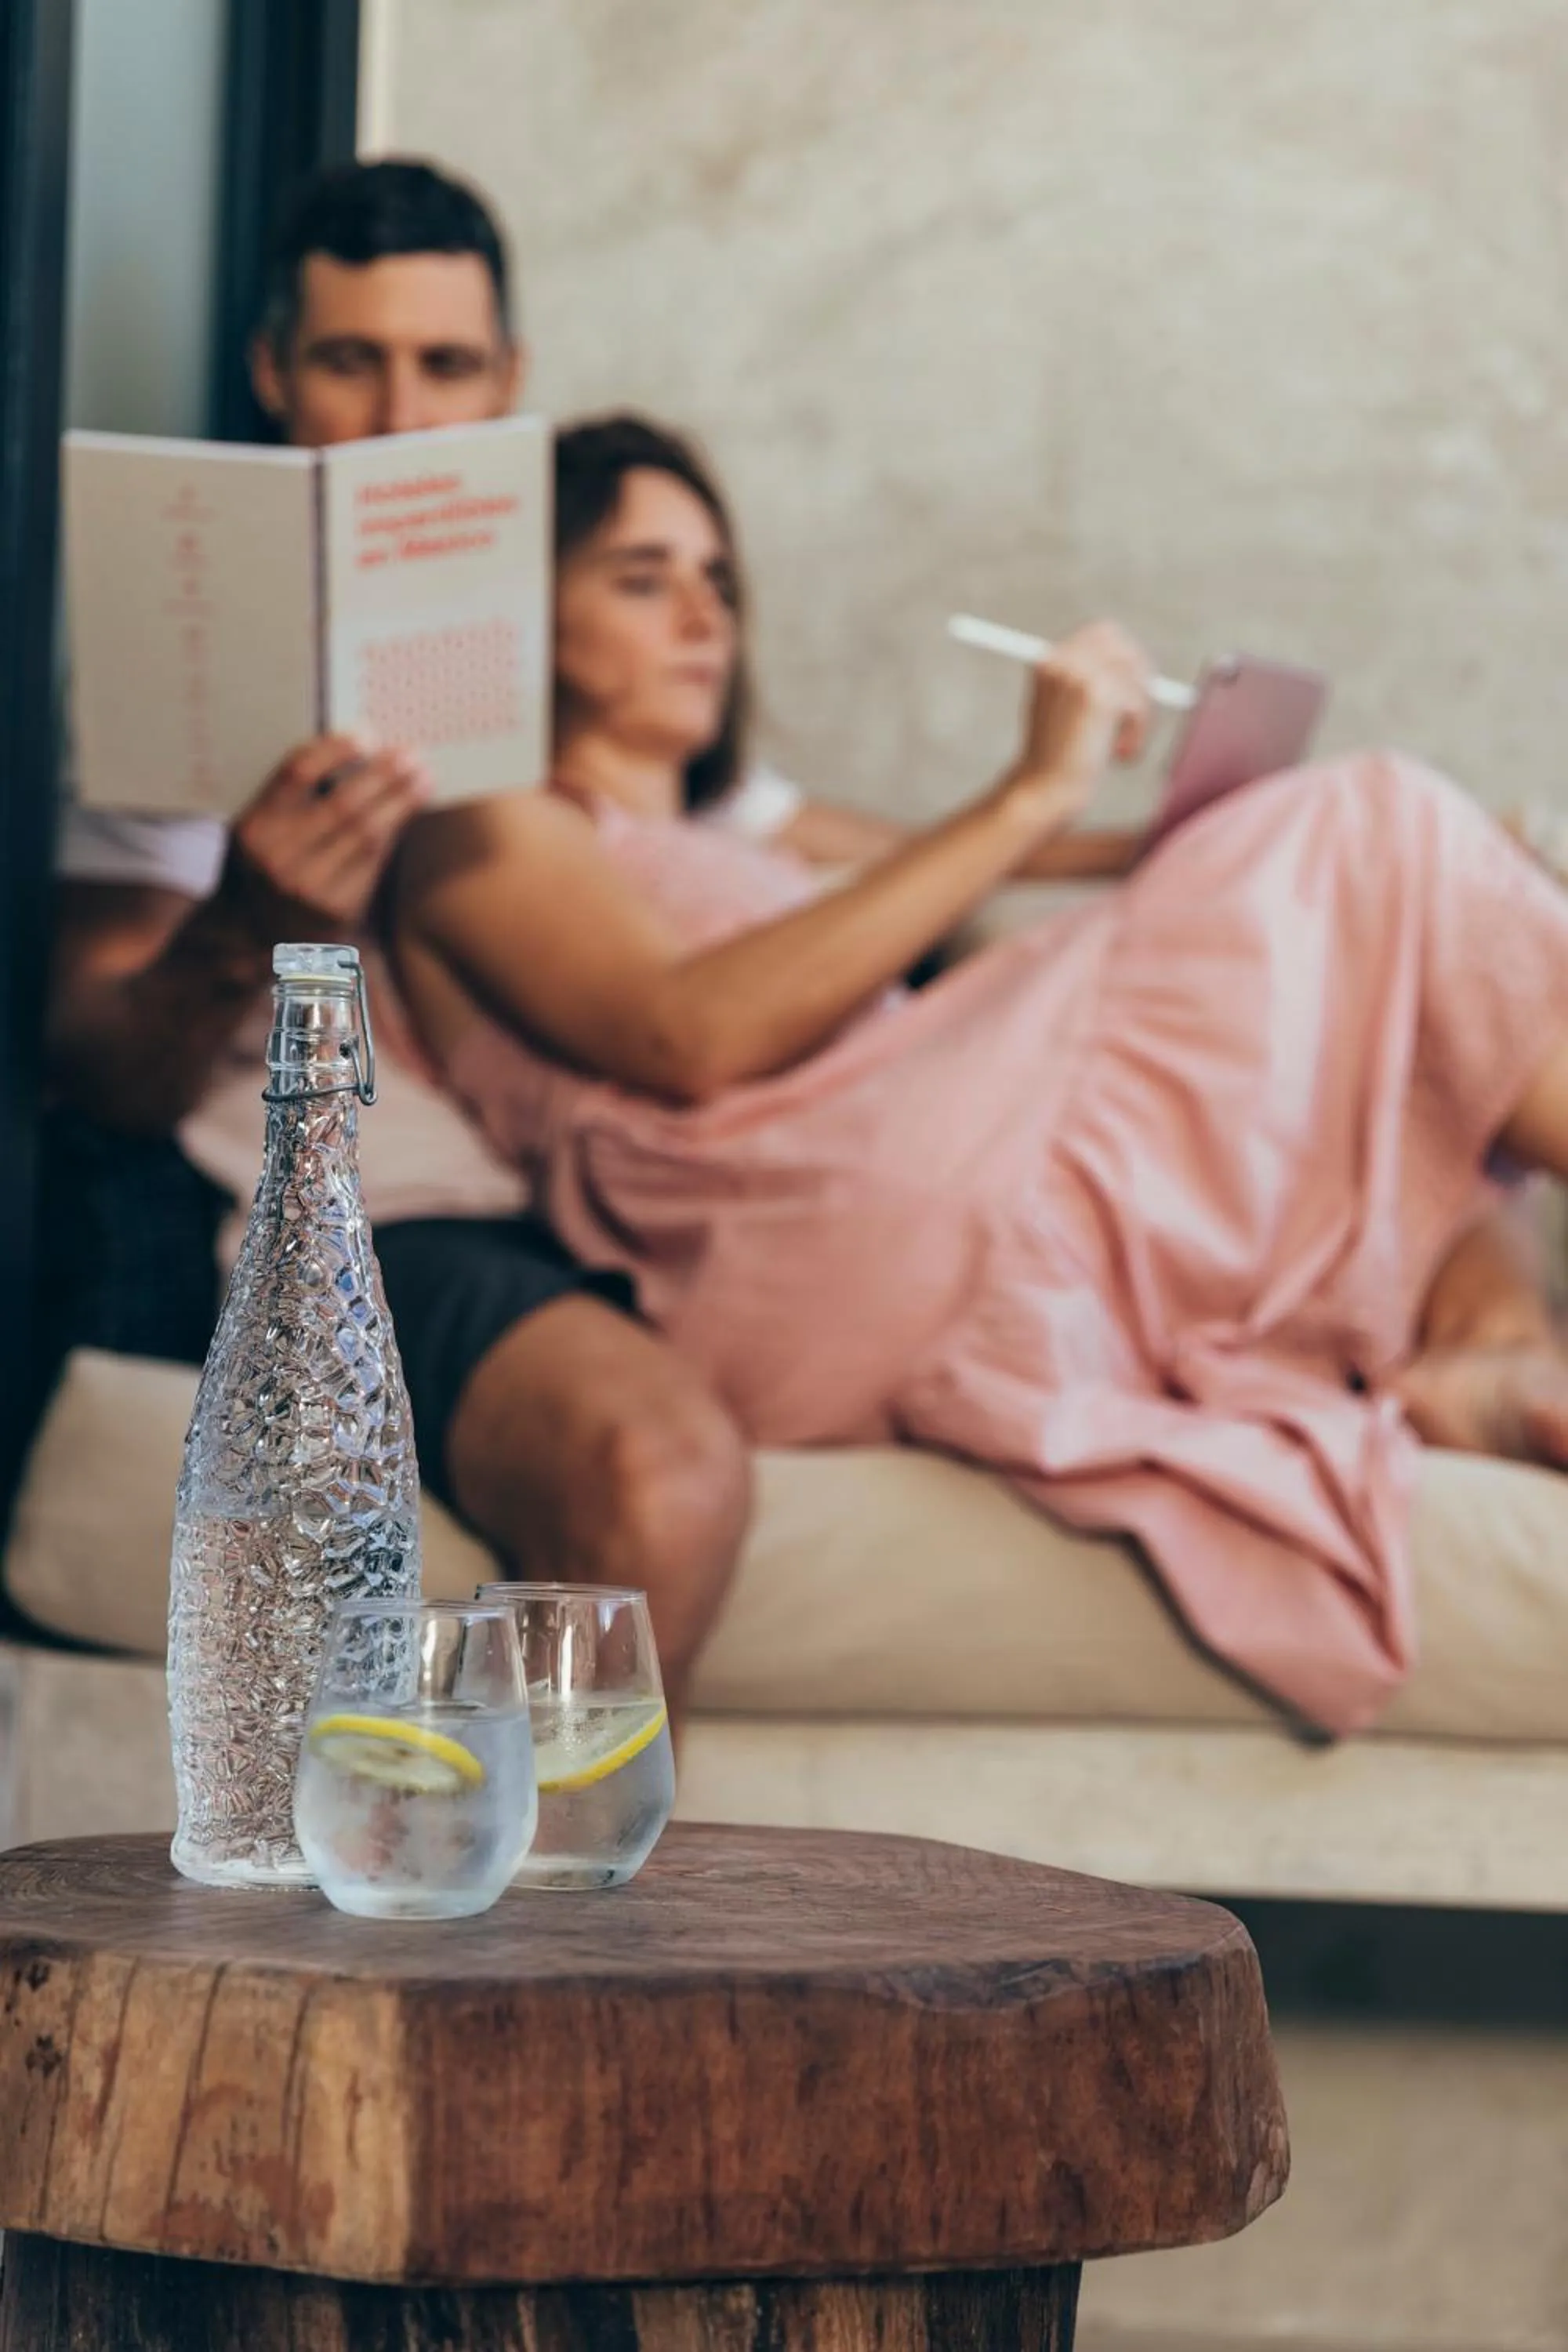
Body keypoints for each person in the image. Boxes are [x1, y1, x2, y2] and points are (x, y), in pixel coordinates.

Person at [387, 413, 1568, 1740]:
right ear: (523, 610)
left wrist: (1225, 822)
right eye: (641, 578)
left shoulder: (757, 833)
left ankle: (1493, 1356)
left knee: (1421, 1005)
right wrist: (1025, 792)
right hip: (800, 1212)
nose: (702, 617)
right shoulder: (481, 818)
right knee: (1383, 822)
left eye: (718, 581)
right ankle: (1487, 1340)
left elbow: (1054, 864)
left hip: (917, 1174)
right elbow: (685, 1037)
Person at [45, 163, 753, 1708]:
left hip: (600, 1165)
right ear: (273, 374)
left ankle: (519, 1931)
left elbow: (781, 834)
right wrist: (245, 922)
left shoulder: (570, 620)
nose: (397, 420)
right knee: (658, 1466)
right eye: (351, 362)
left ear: (506, 385)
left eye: (444, 368)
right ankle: (492, 1935)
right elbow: (98, 1064)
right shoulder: (186, 643)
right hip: (370, 1194)